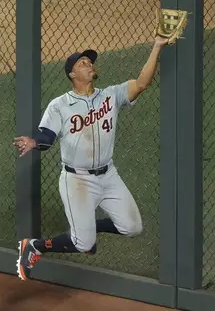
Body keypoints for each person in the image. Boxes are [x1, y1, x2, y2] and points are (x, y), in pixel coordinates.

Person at [13, 35, 170, 280]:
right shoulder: (60, 105)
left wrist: (157, 47)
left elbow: (141, 83)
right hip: (78, 181)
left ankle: (89, 226)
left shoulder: (111, 95)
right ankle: (34, 246)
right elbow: (46, 135)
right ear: (72, 74)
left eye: (89, 61)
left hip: (108, 175)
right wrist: (34, 142)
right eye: (82, 62)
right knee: (84, 244)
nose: (88, 64)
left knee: (132, 227)